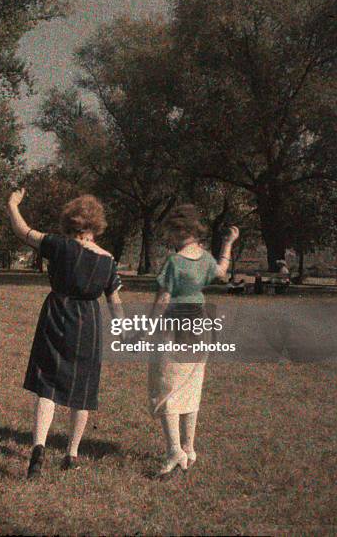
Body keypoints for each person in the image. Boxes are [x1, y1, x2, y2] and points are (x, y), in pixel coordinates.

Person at [7, 189, 123, 479]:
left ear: (70, 221)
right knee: (81, 390)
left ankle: (38, 447)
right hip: (89, 323)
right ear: (97, 224)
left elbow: (22, 231)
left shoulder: (58, 245)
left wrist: (12, 204)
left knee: (48, 383)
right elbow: (115, 303)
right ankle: (71, 454)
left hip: (56, 315)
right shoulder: (108, 260)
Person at [148, 204, 239, 479]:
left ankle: (174, 450)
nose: (169, 238)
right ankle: (189, 447)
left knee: (166, 386)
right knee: (191, 384)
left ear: (180, 230)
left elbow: (163, 298)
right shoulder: (205, 258)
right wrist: (228, 244)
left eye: (171, 232)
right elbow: (222, 272)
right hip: (201, 323)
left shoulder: (175, 262)